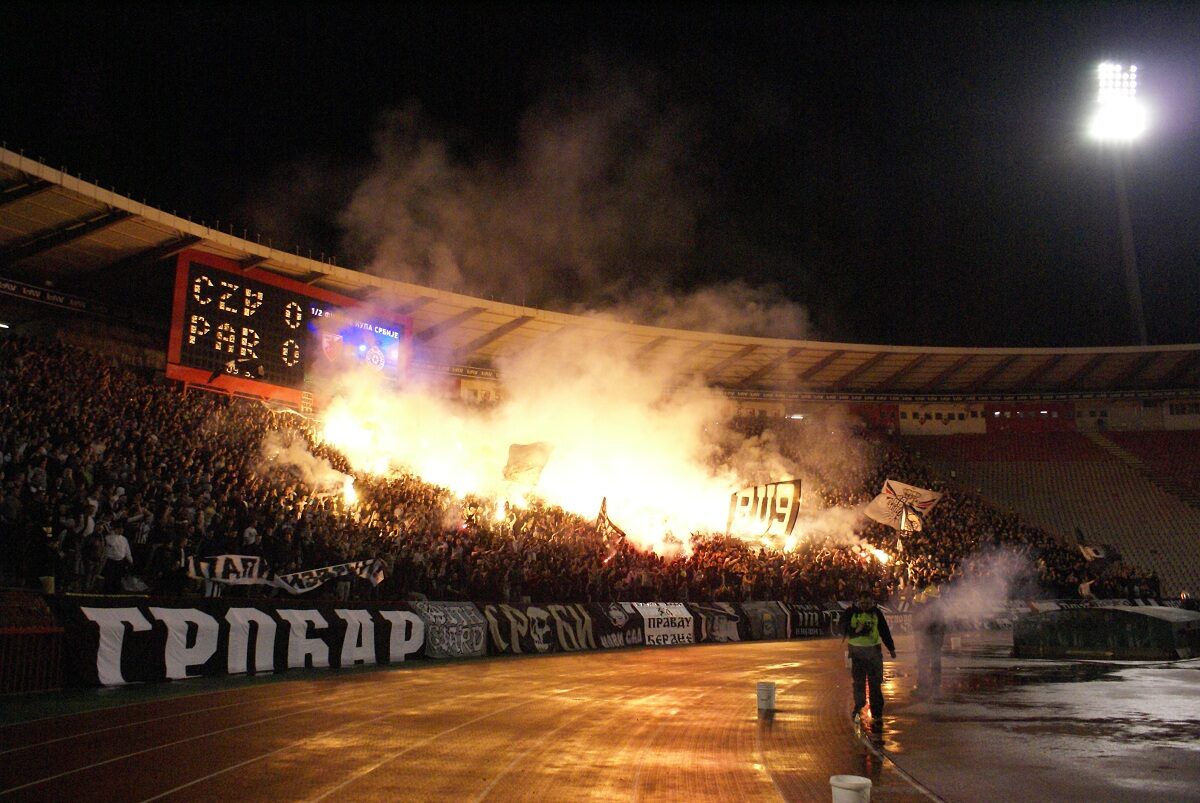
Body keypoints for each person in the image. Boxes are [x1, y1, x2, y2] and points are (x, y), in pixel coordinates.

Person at [842, 593, 896, 728]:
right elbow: (842, 629)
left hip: (874, 654)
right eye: (863, 603)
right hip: (857, 655)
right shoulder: (850, 612)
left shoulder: (876, 613)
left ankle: (877, 714)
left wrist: (891, 648)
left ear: (872, 603)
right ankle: (858, 708)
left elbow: (884, 630)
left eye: (868, 603)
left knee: (875, 685)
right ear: (858, 601)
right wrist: (856, 630)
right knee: (859, 684)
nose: (865, 606)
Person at [912, 587, 946, 698]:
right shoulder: (937, 609)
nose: (924, 597)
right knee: (935, 663)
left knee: (924, 663)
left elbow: (924, 625)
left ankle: (924, 687)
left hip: (930, 640)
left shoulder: (931, 610)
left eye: (926, 596)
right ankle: (934, 686)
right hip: (935, 640)